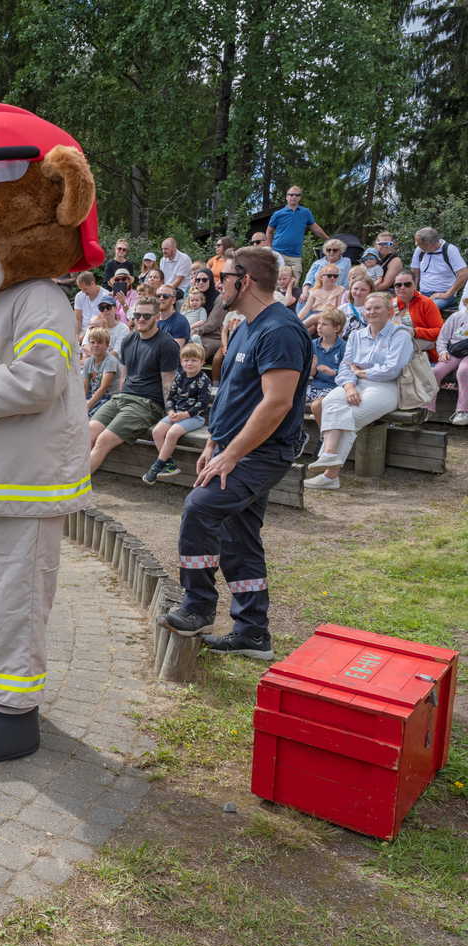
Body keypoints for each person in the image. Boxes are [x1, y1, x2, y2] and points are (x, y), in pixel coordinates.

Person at [158, 247, 312, 660]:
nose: (215, 283)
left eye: (223, 276)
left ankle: (198, 606)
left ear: (244, 280)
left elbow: (276, 403)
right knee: (239, 539)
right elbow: (232, 394)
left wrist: (232, 453)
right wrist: (214, 443)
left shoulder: (280, 330)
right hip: (234, 448)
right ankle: (252, 634)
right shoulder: (245, 326)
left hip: (262, 454)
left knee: (201, 508)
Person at [305, 293, 412, 491]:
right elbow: (346, 367)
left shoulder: (400, 334)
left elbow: (391, 369)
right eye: (368, 308)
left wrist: (360, 371)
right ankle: (329, 453)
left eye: (377, 308)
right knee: (329, 402)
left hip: (386, 387)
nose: (371, 312)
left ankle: (330, 476)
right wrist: (350, 385)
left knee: (349, 416)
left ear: (389, 311)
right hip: (354, 383)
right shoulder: (356, 335)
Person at [89, 296, 179, 471]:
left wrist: (169, 412)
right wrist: (121, 397)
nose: (141, 319)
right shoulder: (128, 340)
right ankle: (69, 484)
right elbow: (124, 376)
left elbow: (169, 382)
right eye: (137, 315)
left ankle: (72, 490)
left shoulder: (167, 344)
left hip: (147, 404)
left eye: (146, 315)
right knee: (87, 433)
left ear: (157, 317)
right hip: (121, 398)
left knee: (103, 440)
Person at [143, 342, 212, 483]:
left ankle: (157, 466)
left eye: (194, 360)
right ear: (181, 362)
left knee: (172, 433)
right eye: (186, 360)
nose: (189, 363)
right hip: (176, 414)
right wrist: (171, 411)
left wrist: (185, 415)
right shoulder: (180, 377)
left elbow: (202, 405)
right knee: (156, 431)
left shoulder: (204, 381)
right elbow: (171, 398)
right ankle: (169, 464)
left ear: (202, 362)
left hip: (194, 416)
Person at [265, 185, 329, 279]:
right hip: (278, 254)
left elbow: (315, 228)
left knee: (294, 284)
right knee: (276, 283)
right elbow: (268, 232)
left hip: (295, 256)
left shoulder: (306, 213)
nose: (293, 197)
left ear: (300, 197)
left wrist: (329, 239)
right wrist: (271, 249)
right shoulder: (278, 214)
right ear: (287, 197)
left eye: (296, 195)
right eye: (291, 194)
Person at [426, 294, 468, 426]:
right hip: (454, 351)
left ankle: (462, 411)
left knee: (463, 372)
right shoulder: (457, 317)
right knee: (435, 372)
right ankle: (427, 407)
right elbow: (443, 338)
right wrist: (443, 352)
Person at [307, 309, 347, 433]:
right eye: (319, 323)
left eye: (324, 324)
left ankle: (323, 435)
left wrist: (333, 372)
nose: (319, 327)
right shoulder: (313, 344)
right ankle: (297, 435)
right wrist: (312, 368)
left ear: (336, 328)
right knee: (294, 400)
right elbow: (312, 374)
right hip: (315, 385)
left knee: (316, 405)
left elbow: (348, 372)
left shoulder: (344, 346)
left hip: (333, 387)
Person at [411, 227, 468, 311]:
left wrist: (447, 294)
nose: (416, 245)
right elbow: (414, 272)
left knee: (427, 308)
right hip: (422, 293)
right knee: (400, 305)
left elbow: (464, 274)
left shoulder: (449, 250)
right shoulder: (419, 251)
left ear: (428, 244)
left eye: (418, 243)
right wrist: (414, 291)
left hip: (444, 295)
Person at [392, 269, 443, 359]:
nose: (402, 287)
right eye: (398, 285)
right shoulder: (389, 304)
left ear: (415, 284)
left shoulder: (426, 302)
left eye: (407, 284)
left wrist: (415, 332)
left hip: (421, 351)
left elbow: (440, 331)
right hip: (394, 350)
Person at [82, 326, 119, 416]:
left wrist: (88, 406)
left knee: (88, 417)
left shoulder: (110, 360)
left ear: (107, 345)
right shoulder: (88, 362)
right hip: (94, 396)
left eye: (100, 342)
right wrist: (81, 404)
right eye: (92, 342)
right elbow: (85, 388)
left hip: (109, 397)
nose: (95, 345)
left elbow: (104, 388)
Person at [299, 261, 346, 326]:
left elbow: (339, 307)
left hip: (331, 315)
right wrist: (297, 319)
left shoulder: (340, 290)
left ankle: (298, 327)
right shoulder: (315, 291)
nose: (332, 278)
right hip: (317, 316)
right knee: (312, 328)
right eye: (329, 276)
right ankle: (296, 330)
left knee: (313, 318)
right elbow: (306, 308)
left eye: (335, 276)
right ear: (321, 277)